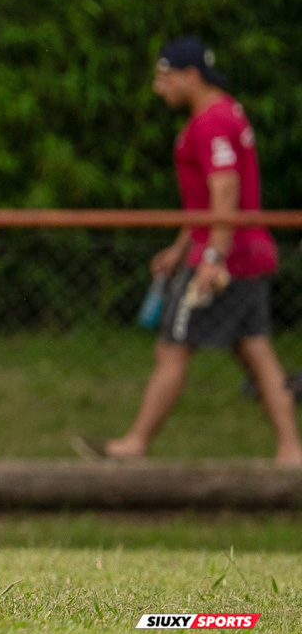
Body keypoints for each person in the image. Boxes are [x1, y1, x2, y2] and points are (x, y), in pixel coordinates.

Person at [102, 37, 302, 465]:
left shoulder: (211, 121)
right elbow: (206, 201)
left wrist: (211, 258)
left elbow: (225, 189)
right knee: (258, 351)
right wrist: (180, 246)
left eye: (165, 77)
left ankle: (136, 444)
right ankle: (291, 451)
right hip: (246, 251)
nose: (160, 88)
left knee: (173, 348)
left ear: (190, 75)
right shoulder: (226, 111)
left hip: (224, 259)